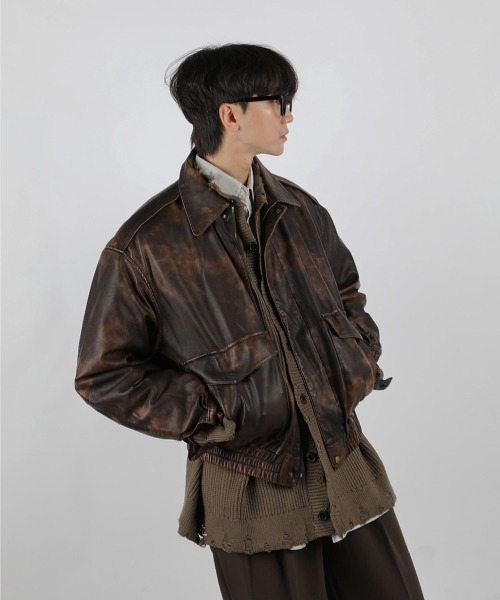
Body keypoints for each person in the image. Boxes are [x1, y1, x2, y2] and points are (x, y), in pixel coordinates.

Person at [75, 43, 424, 599]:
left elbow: (346, 292)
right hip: (253, 491)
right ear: (229, 115)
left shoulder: (300, 210)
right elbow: (105, 374)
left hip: (344, 466)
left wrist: (354, 361)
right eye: (278, 101)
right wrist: (218, 413)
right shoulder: (146, 245)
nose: (289, 115)